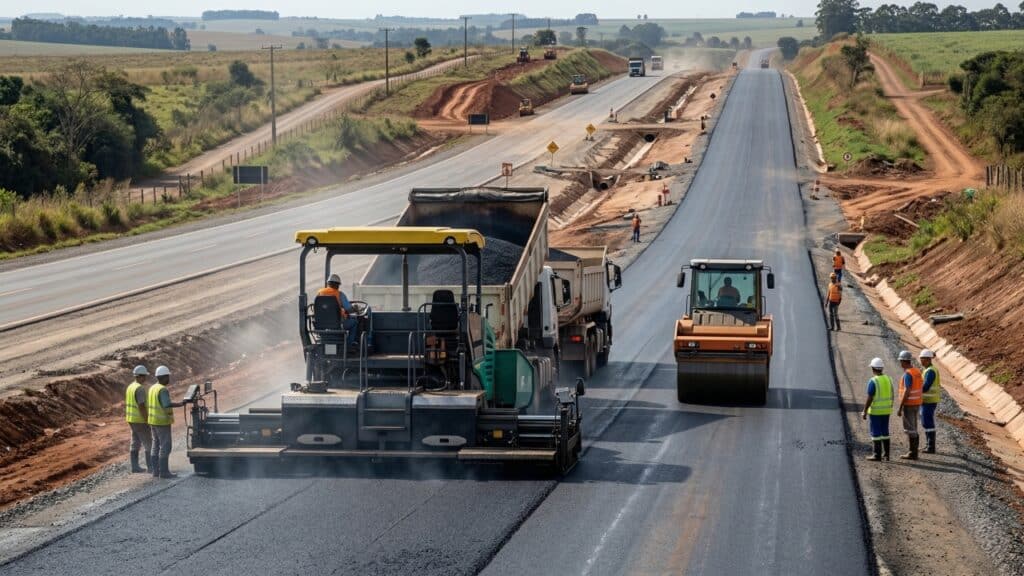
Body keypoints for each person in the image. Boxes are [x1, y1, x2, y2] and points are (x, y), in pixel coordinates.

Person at [147, 365, 184, 478]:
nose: (169, 379)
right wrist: (181, 404)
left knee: (155, 445)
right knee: (165, 446)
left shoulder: (152, 388)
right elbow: (166, 404)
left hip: (153, 421)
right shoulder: (162, 389)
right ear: (163, 377)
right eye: (168, 376)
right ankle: (164, 472)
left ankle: (155, 471)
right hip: (162, 422)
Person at [861, 357, 893, 461]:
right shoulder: (889, 379)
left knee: (875, 433)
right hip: (887, 411)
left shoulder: (873, 381)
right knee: (885, 431)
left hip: (875, 411)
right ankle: (887, 455)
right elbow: (892, 394)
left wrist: (865, 410)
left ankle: (877, 455)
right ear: (882, 368)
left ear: (873, 368)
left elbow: (870, 397)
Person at [896, 350, 923, 460]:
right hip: (917, 403)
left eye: (900, 361)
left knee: (910, 428)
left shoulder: (908, 374)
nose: (900, 363)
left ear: (903, 361)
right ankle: (914, 452)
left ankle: (913, 453)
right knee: (914, 427)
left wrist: (900, 406)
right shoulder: (917, 371)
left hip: (909, 404)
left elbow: (907, 390)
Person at [317, 273, 358, 346]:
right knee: (354, 322)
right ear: (337, 284)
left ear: (328, 283)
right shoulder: (340, 294)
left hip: (322, 325)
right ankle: (348, 345)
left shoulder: (320, 293)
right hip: (338, 324)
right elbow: (349, 309)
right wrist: (355, 309)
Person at [125, 365, 152, 474]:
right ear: (140, 376)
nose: (145, 379)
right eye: (145, 376)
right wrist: (147, 420)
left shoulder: (131, 386)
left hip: (131, 419)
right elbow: (141, 406)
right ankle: (151, 467)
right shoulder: (140, 389)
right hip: (140, 420)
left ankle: (135, 467)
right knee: (148, 443)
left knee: (135, 442)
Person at [919, 349, 941, 454]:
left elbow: (926, 387)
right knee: (926, 422)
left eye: (922, 358)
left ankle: (931, 447)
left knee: (927, 422)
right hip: (927, 400)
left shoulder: (930, 371)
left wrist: (915, 391)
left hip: (929, 400)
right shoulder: (928, 370)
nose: (920, 360)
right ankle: (929, 444)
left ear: (927, 359)